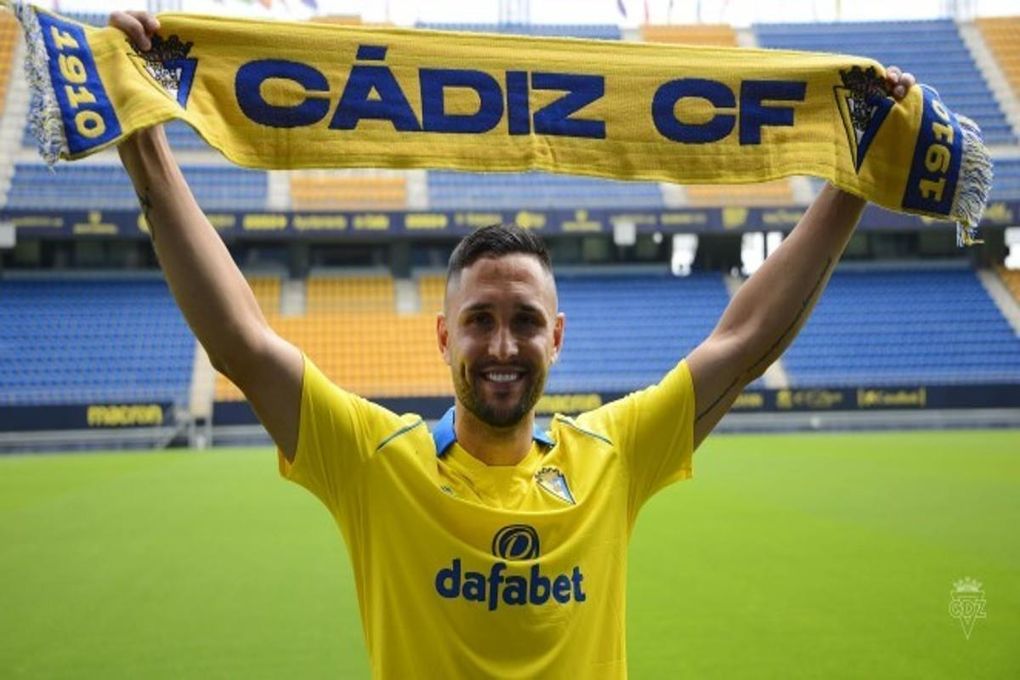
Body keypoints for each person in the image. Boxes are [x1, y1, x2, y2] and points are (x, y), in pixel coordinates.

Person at [111, 11, 915, 679]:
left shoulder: (611, 457)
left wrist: (854, 182)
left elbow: (742, 342)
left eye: (526, 321)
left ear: (556, 338)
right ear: (443, 335)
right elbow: (241, 344)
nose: (503, 344)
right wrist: (141, 136)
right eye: (479, 319)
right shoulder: (376, 464)